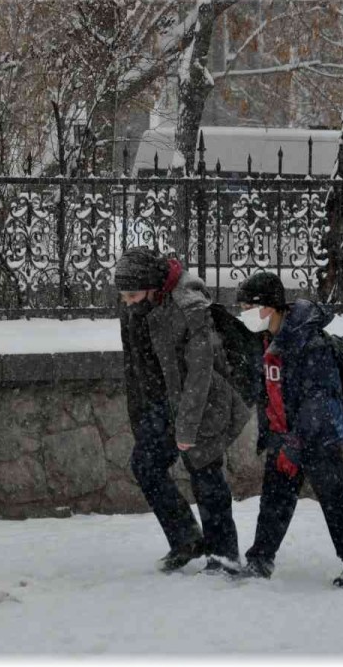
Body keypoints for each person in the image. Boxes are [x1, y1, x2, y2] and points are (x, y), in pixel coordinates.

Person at [115, 247, 251, 576]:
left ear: (151, 286)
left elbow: (200, 373)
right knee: (145, 465)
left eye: (132, 295)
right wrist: (142, 414)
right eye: (124, 296)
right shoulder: (136, 306)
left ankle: (224, 555)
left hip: (200, 401)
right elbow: (134, 367)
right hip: (161, 404)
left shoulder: (189, 307)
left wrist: (186, 429)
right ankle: (186, 538)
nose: (127, 302)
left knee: (205, 472)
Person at [234, 271, 343, 587]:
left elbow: (316, 402)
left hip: (318, 437)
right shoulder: (266, 339)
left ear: (269, 307)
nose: (243, 314)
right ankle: (260, 560)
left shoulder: (308, 342)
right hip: (285, 435)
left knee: (333, 498)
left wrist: (295, 446)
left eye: (247, 307)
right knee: (274, 500)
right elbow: (269, 391)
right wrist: (275, 436)